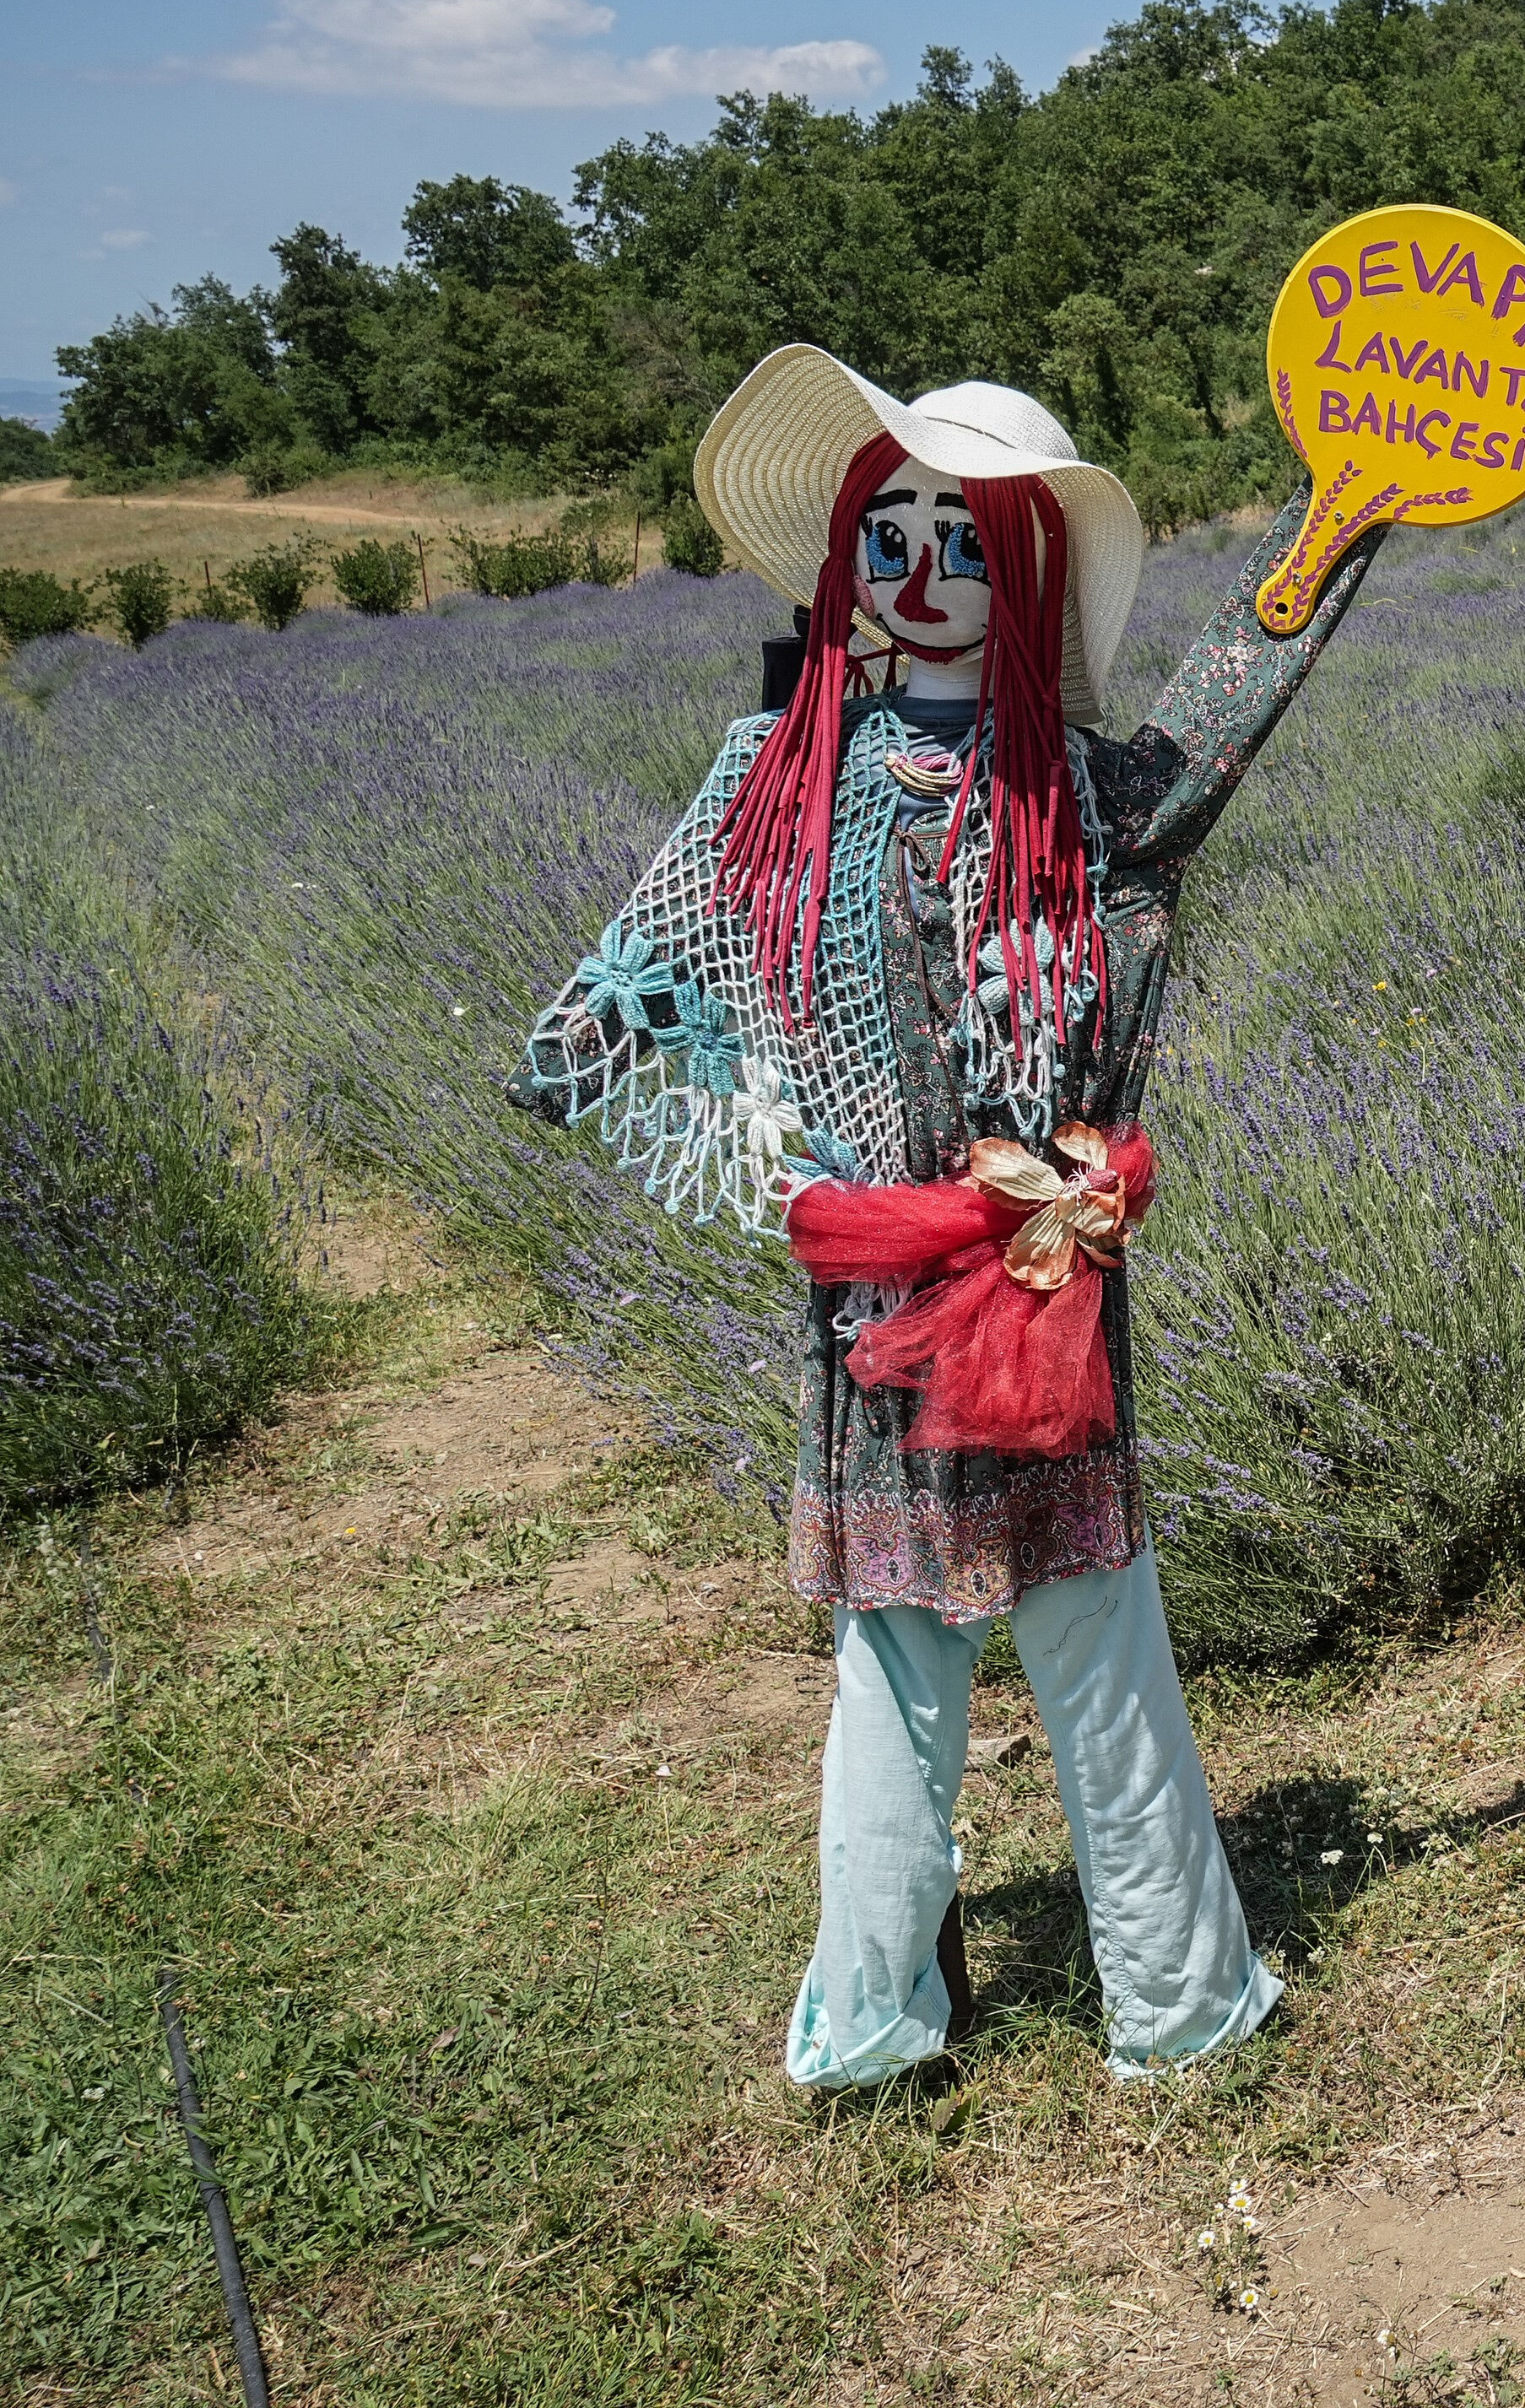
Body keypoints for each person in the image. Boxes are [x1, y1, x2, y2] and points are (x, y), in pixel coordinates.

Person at [516, 345, 1382, 2084]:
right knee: (905, 1672)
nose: (921, 570)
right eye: (891, 533)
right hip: (897, 1315)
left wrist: (1340, 523)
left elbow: (1212, 737)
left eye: (965, 539)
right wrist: (794, 1171)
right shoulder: (775, 774)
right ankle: (901, 2015)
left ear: (1027, 573)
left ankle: (1158, 2002)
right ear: (847, 559)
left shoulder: (1070, 787)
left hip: (1045, 1294)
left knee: (1076, 1639)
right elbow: (588, 1041)